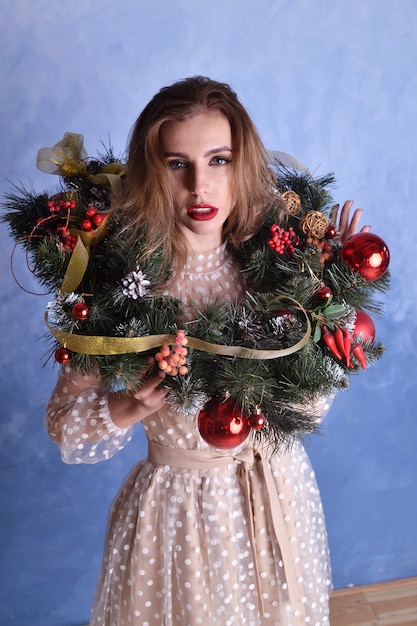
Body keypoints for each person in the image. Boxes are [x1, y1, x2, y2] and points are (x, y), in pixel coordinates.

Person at [45, 76, 369, 626]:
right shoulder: (124, 287)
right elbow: (64, 422)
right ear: (152, 172)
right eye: (177, 164)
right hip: (183, 513)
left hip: (275, 494)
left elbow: (307, 403)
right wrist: (132, 406)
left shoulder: (280, 265)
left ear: (241, 164)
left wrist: (334, 290)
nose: (200, 186)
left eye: (218, 160)